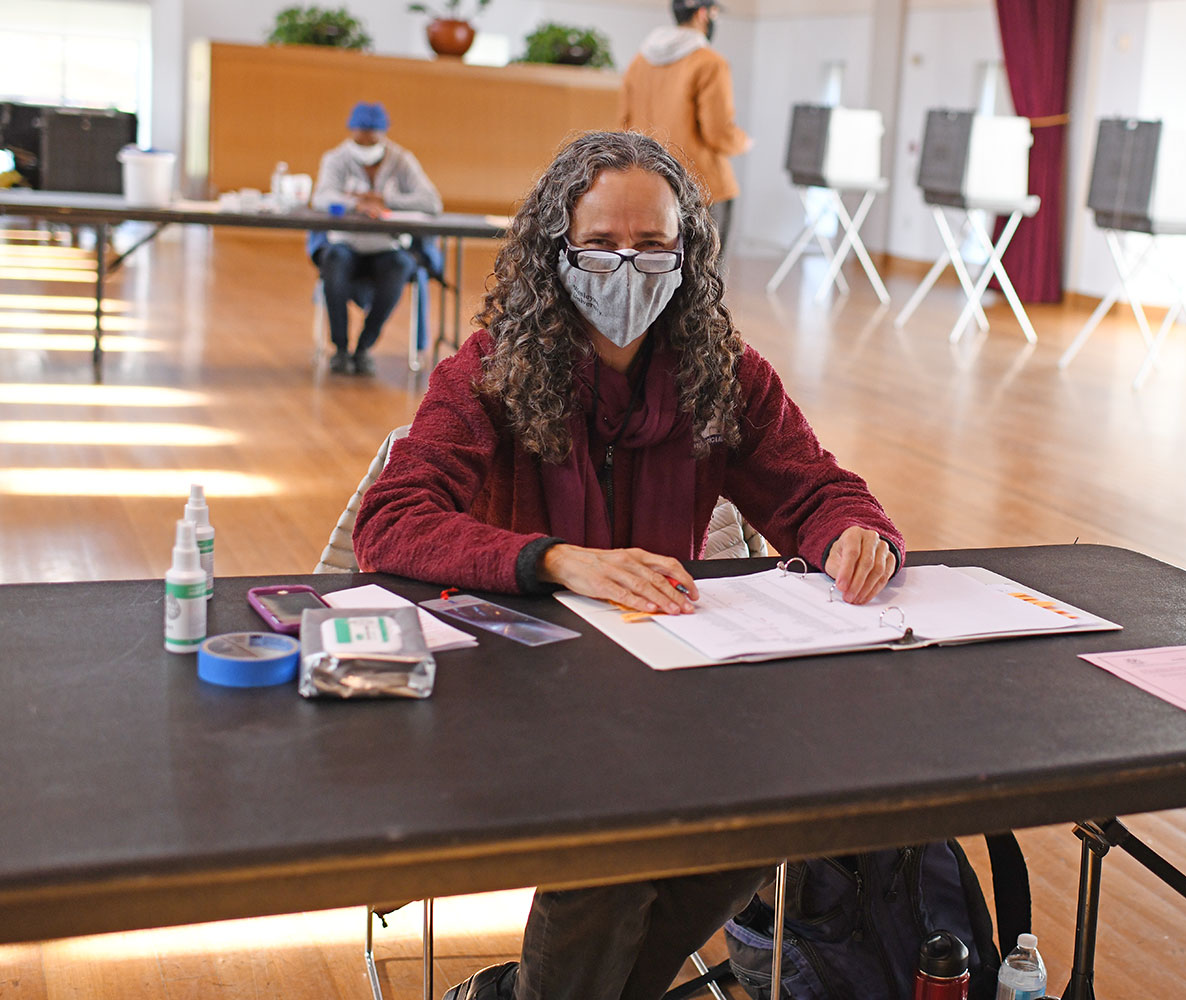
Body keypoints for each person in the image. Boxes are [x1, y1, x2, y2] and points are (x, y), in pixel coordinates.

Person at [353, 130, 903, 1000]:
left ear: (687, 255)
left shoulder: (725, 377)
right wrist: (559, 561)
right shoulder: (489, 374)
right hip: (519, 692)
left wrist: (851, 534)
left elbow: (816, 491)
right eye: (600, 246)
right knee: (619, 834)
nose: (627, 267)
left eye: (653, 247)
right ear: (553, 251)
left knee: (763, 806)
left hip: (666, 688)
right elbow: (392, 522)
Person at [310, 100, 443, 376]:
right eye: (362, 138)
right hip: (346, 245)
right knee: (332, 261)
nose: (368, 145)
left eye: (373, 139)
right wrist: (354, 203)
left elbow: (431, 202)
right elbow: (321, 197)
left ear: (383, 134)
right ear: (352, 132)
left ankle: (364, 347)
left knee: (401, 265)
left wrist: (386, 200)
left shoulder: (401, 160)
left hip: (387, 247)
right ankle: (341, 348)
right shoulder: (336, 159)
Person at [619, 0, 751, 255]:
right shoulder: (710, 62)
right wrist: (742, 142)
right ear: (703, 14)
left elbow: (624, 125)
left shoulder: (639, 62)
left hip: (651, 183)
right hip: (703, 186)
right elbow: (718, 132)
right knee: (706, 276)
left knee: (656, 270)